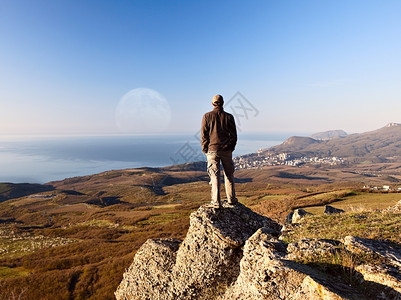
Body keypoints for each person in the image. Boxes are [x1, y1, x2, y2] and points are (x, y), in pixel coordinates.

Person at [201, 94, 238, 208]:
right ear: (222, 103)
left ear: (212, 104)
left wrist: (205, 149)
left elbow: (204, 135)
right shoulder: (229, 117)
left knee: (215, 176)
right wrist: (231, 147)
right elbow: (234, 135)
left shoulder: (207, 116)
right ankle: (231, 199)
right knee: (229, 175)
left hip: (212, 150)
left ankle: (216, 202)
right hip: (226, 150)